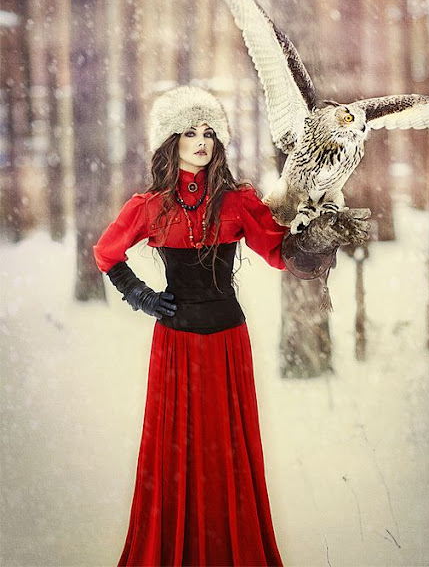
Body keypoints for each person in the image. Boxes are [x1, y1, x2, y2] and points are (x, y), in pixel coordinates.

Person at [93, 85, 290, 566]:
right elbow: (106, 253)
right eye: (190, 132)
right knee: (174, 456)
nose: (201, 141)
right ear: (170, 140)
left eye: (209, 132)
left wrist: (319, 237)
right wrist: (138, 294)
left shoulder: (238, 201)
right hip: (176, 346)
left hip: (227, 343)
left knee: (228, 455)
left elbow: (280, 254)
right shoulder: (150, 205)